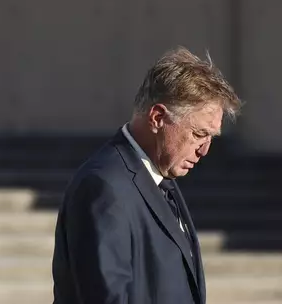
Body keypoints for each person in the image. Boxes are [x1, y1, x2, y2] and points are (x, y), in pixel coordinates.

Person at [52, 47, 242, 304]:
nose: (205, 150)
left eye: (211, 137)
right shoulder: (104, 186)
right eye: (199, 134)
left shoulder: (161, 179)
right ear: (157, 118)